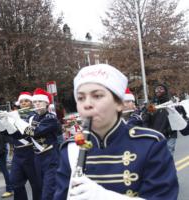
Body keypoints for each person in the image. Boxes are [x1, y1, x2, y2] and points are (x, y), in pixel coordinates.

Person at [53, 64, 179, 200]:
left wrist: (104, 197)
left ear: (119, 103)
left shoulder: (150, 144)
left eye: (97, 96)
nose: (87, 104)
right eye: (81, 98)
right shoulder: (71, 149)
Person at [6, 88, 62, 200]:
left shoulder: (50, 118)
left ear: (46, 103)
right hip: (37, 158)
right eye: (35, 102)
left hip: (50, 157)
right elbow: (22, 136)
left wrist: (17, 120)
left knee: (48, 192)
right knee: (40, 188)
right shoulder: (34, 117)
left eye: (39, 102)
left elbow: (35, 132)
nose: (36, 104)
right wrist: (4, 124)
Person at [7, 92, 41, 200]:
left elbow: (29, 132)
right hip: (18, 153)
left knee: (35, 184)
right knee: (15, 182)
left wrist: (17, 120)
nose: (23, 104)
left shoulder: (35, 115)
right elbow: (10, 134)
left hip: (30, 151)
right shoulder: (15, 115)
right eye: (21, 102)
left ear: (31, 103)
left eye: (26, 101)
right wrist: (3, 122)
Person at [143, 83, 188, 155]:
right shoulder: (151, 105)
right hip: (156, 135)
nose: (158, 91)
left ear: (165, 90)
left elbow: (181, 117)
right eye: (157, 89)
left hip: (170, 135)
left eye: (161, 89)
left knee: (168, 155)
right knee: (158, 156)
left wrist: (179, 109)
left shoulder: (171, 104)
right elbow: (146, 119)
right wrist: (147, 131)